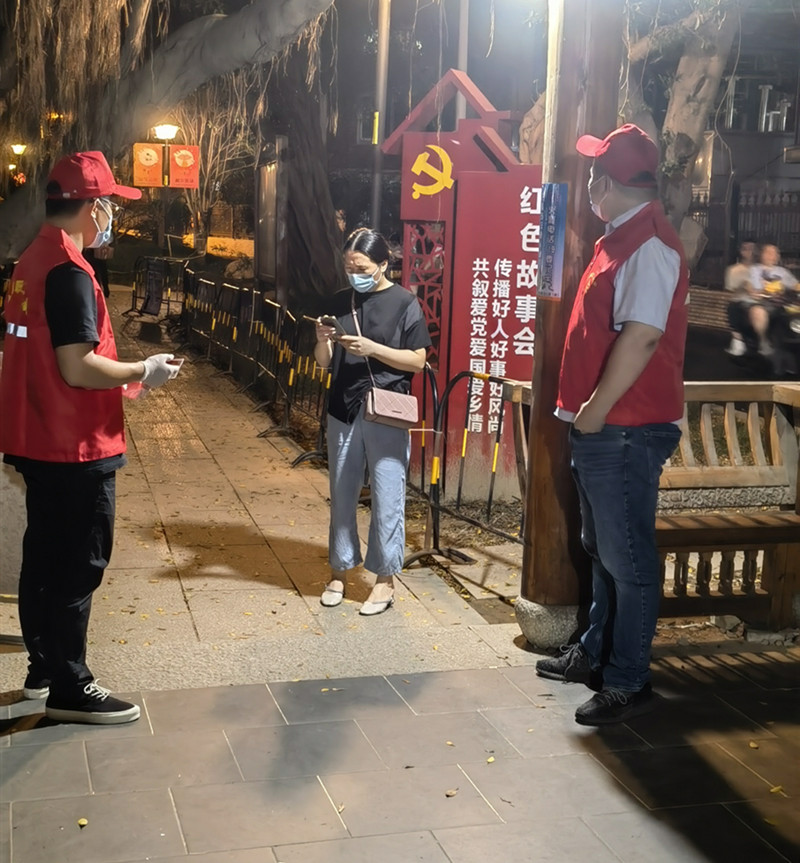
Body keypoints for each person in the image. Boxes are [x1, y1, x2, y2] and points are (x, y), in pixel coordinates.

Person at [0, 151, 181, 724]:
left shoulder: (31, 260)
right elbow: (78, 366)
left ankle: (43, 670)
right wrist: (143, 370)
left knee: (43, 557)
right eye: (109, 206)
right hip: (75, 443)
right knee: (78, 564)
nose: (111, 218)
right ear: (91, 206)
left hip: (37, 435)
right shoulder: (70, 272)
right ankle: (71, 686)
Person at [535, 124, 689, 726]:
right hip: (608, 426)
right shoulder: (622, 237)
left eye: (596, 173)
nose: (589, 183)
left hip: (625, 427)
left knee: (627, 559)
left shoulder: (647, 243)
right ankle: (595, 652)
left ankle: (628, 679)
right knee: (602, 549)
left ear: (613, 181)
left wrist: (595, 411)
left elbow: (643, 336)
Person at [314, 229, 431, 615]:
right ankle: (338, 572)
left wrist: (373, 349)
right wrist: (322, 340)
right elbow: (324, 362)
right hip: (343, 408)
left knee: (387, 494)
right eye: (349, 268)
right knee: (341, 493)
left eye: (362, 268)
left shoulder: (404, 303)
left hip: (387, 409)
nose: (354, 275)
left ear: (383, 264)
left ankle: (384, 581)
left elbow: (418, 360)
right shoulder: (339, 301)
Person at [724, 239, 757, 356]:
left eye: (752, 249)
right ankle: (738, 341)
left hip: (761, 301)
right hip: (742, 301)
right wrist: (744, 286)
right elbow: (731, 290)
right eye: (746, 249)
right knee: (733, 307)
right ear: (741, 251)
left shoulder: (761, 269)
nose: (749, 252)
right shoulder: (734, 270)